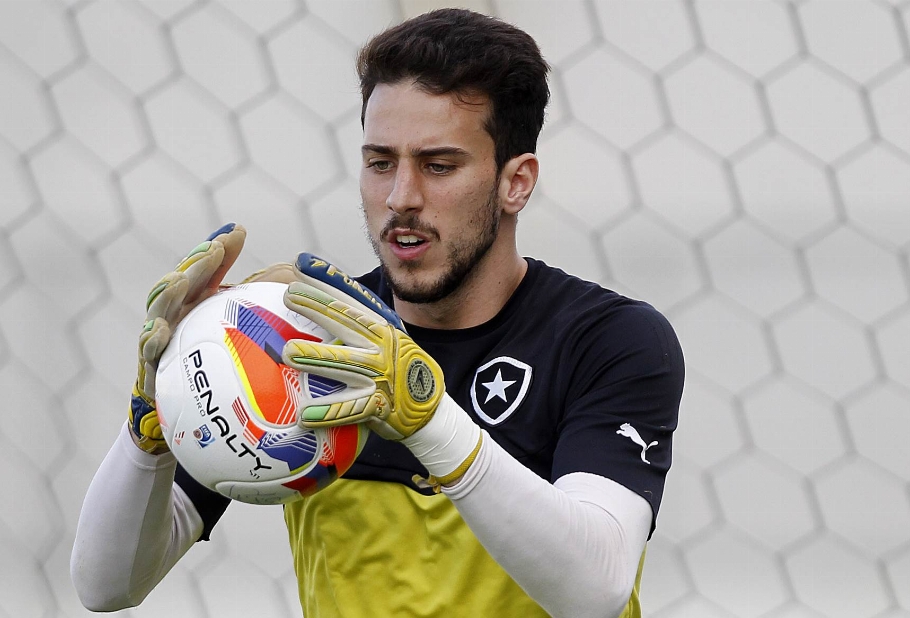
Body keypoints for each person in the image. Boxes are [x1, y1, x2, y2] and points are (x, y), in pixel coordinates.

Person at [72, 9, 684, 618]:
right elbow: (105, 586)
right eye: (380, 162)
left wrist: (423, 416)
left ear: (515, 182)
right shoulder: (304, 336)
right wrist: (151, 425)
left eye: (438, 165)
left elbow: (596, 589)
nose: (400, 198)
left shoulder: (607, 340)